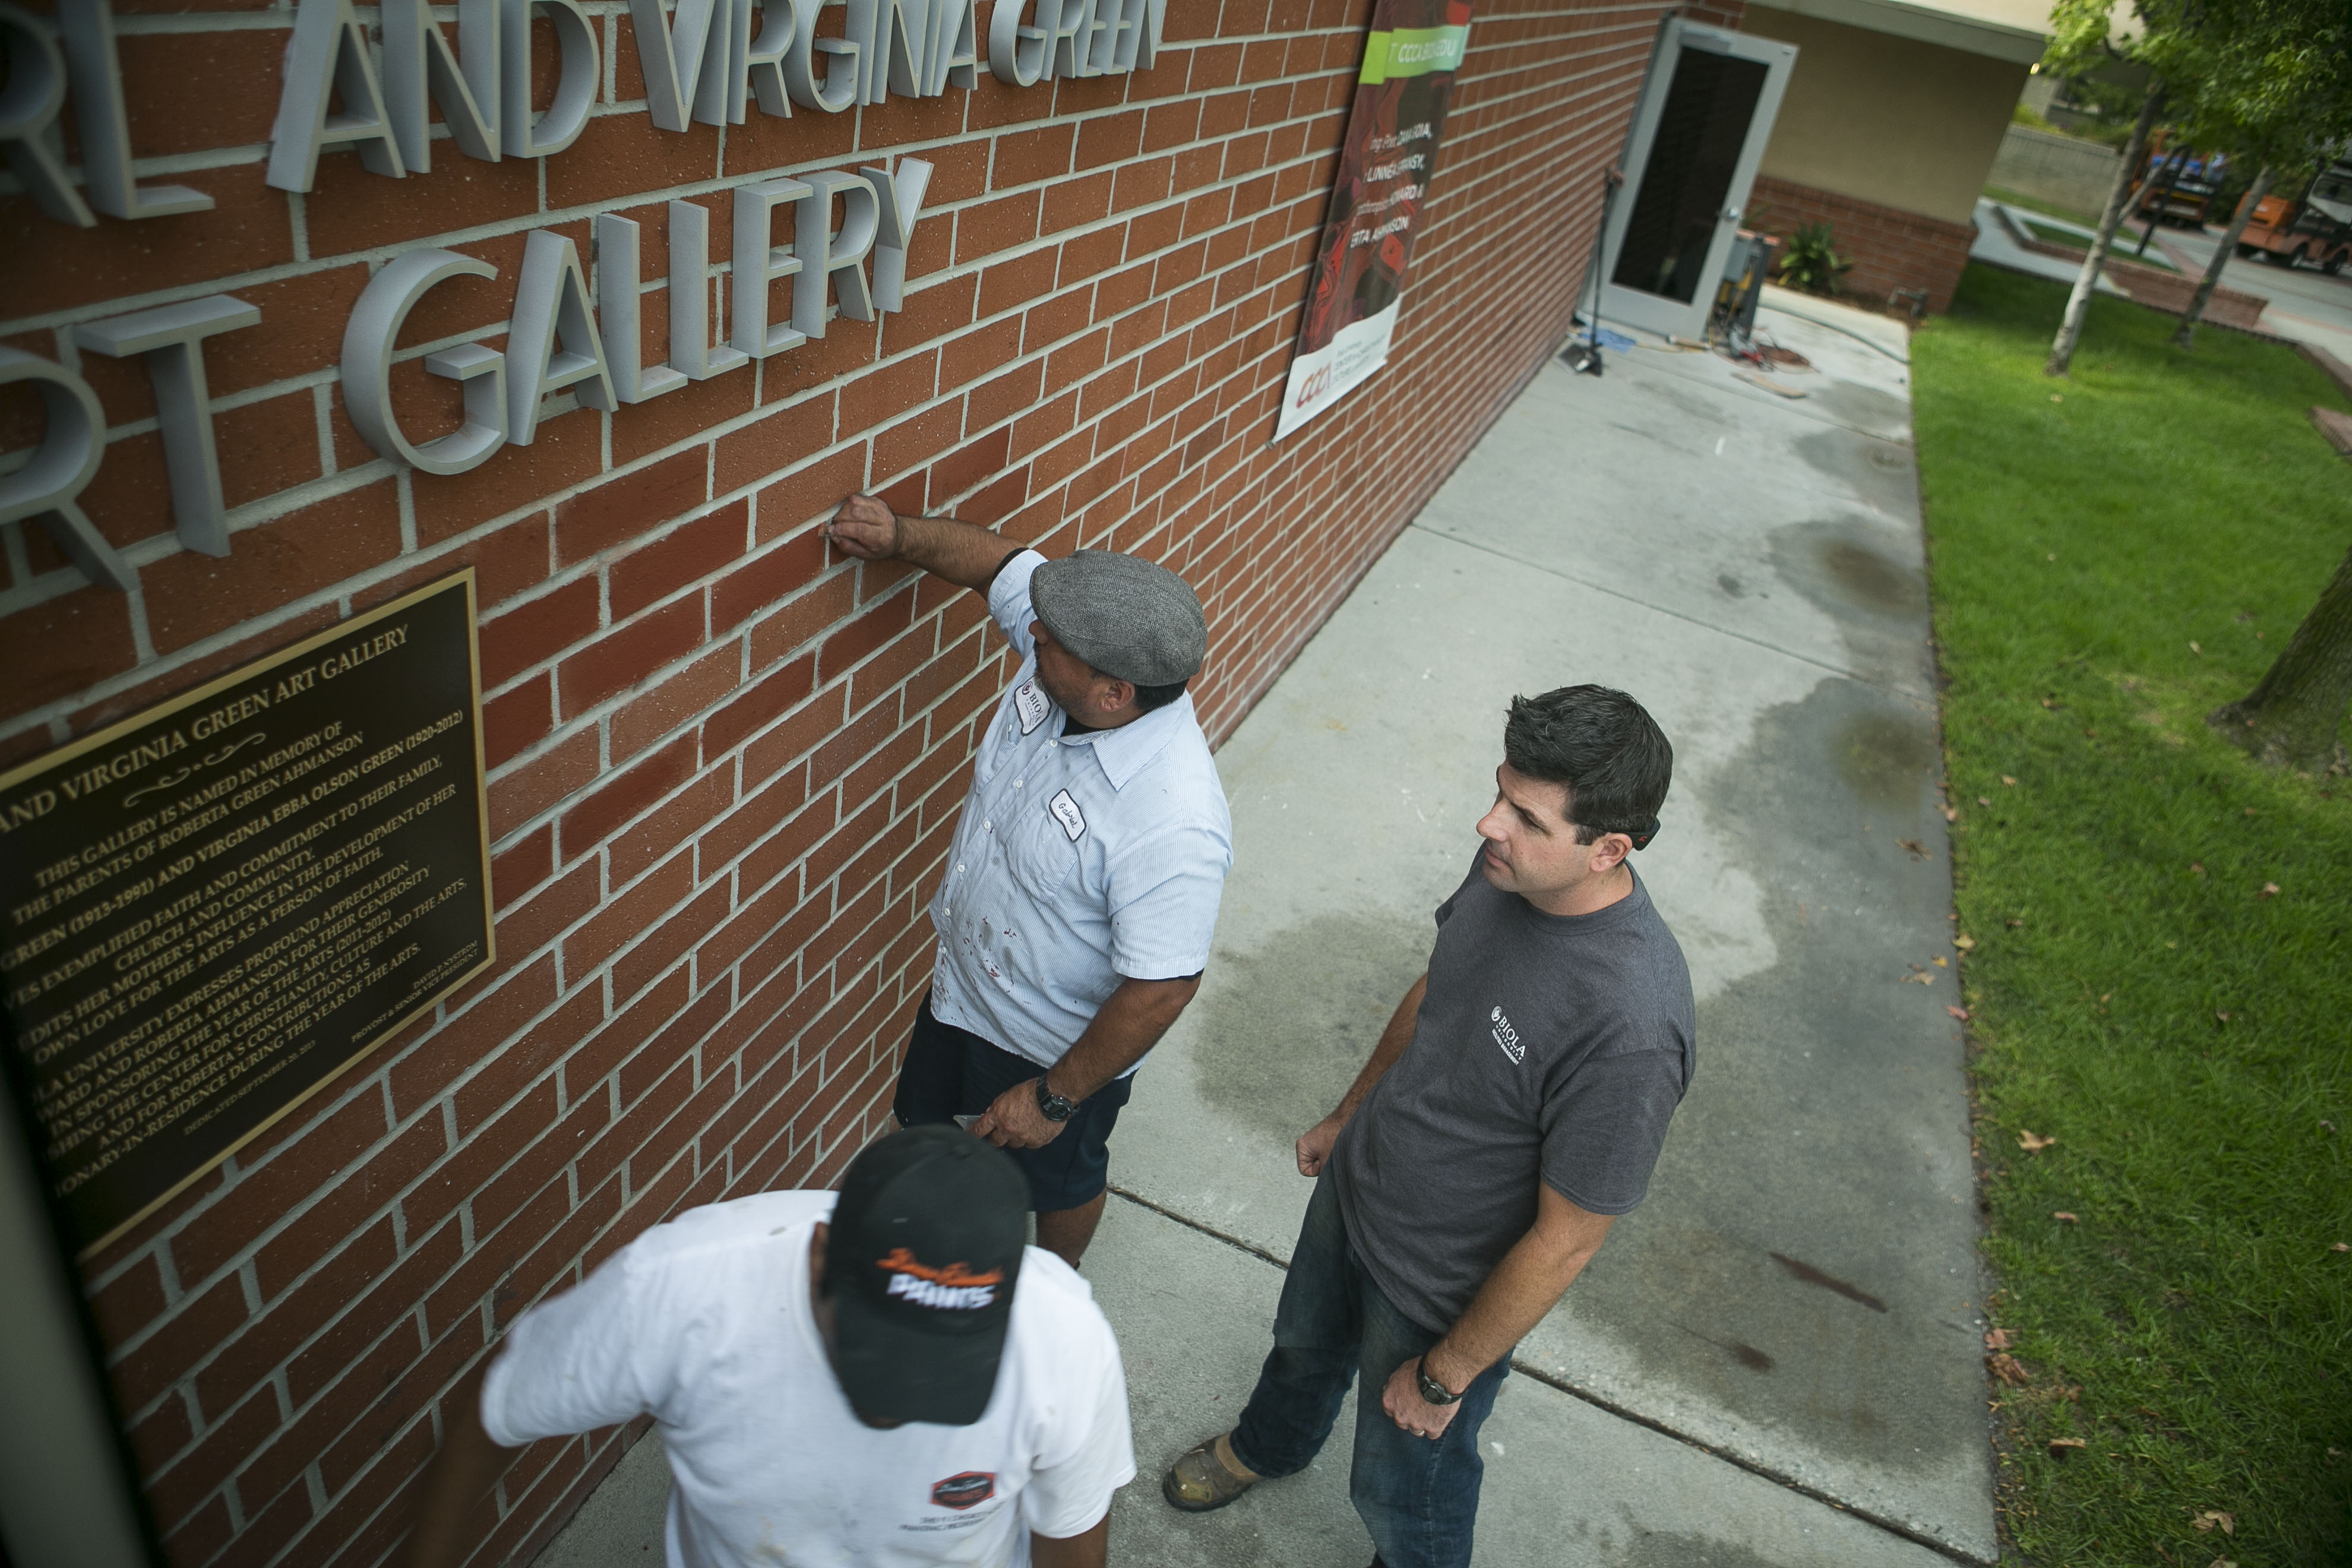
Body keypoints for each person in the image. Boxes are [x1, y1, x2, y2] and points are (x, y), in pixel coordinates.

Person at [1159, 685, 1695, 1568]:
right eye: (1499, 793)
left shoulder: (1632, 1028)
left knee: (1408, 1484)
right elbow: (1438, 987)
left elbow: (1568, 1241)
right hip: (1358, 1188)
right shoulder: (1508, 867)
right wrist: (1350, 1113)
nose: (1489, 824)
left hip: (1439, 1285)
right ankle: (1268, 1447)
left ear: (1609, 849)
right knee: (1301, 1348)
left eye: (1524, 815)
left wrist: (1448, 1373)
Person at [397, 1126, 1132, 1568]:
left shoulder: (1064, 1341)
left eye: (939, 1370)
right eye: (877, 1351)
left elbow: (1069, 1533)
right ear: (819, 1260)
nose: (898, 1405)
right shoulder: (681, 1291)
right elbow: (498, 1410)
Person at [823, 494, 1232, 1269]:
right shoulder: (1073, 655)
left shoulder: (1173, 822)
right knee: (928, 1124)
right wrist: (900, 536)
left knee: (1057, 1174)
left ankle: (1054, 1285)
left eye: (1050, 643)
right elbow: (1003, 566)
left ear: (1115, 694)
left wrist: (1054, 1098)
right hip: (965, 991)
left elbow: (1164, 988)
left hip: (1050, 1045)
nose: (1031, 635)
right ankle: (933, 1239)